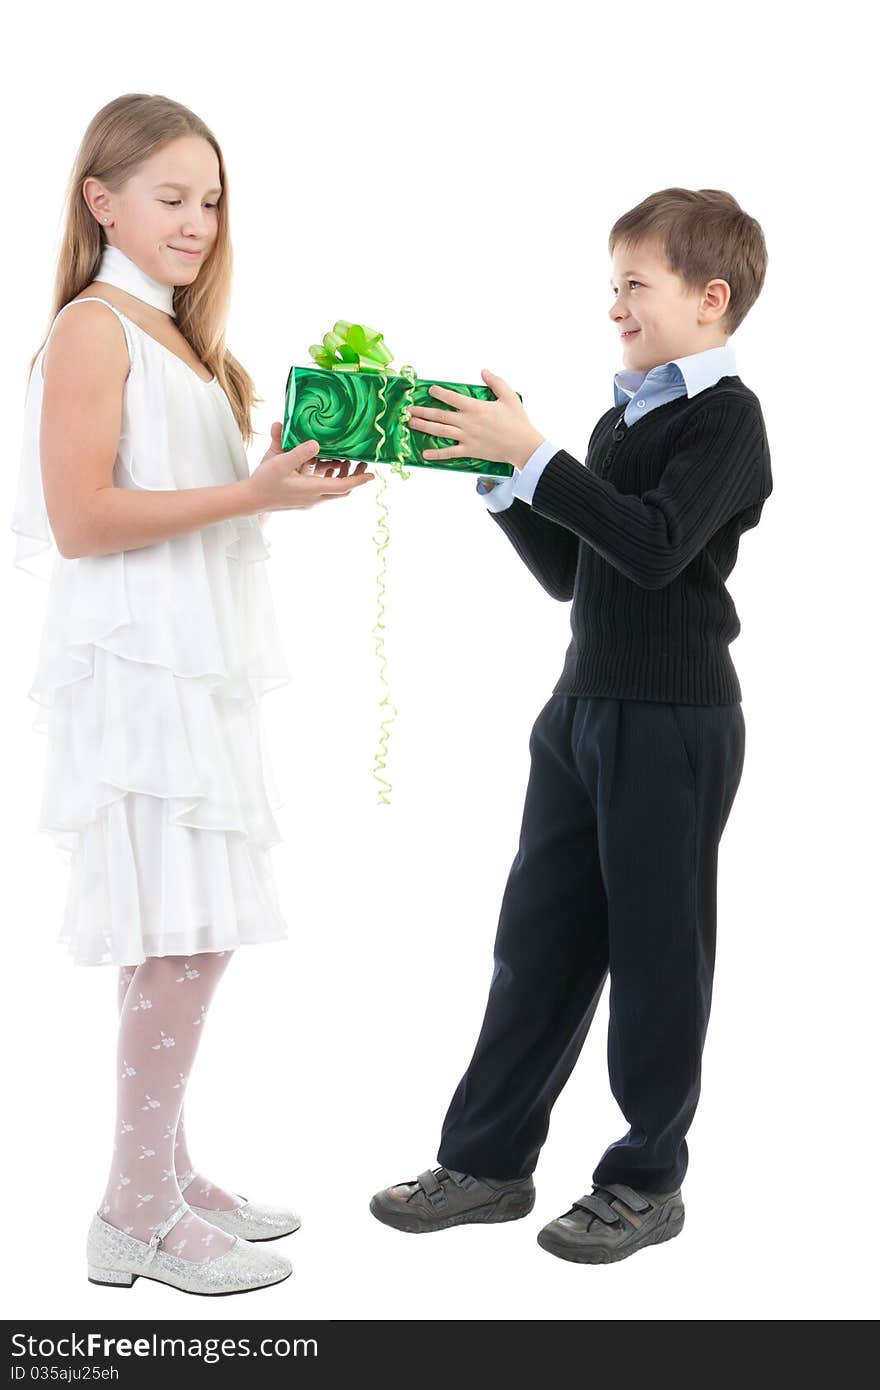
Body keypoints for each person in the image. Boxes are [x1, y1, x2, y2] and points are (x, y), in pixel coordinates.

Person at [11, 92, 374, 1296]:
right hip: (139, 672)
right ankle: (133, 1210)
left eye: (211, 200)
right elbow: (81, 520)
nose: (198, 221)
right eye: (171, 198)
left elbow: (201, 492)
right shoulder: (93, 329)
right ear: (100, 200)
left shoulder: (183, 341)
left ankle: (163, 1170)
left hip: (192, 664)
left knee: (177, 925)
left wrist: (288, 477)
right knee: (189, 933)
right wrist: (252, 496)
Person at [370, 187, 773, 1265]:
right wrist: (499, 474)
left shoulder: (726, 418)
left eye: (633, 286)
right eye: (613, 287)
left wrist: (540, 453)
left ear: (709, 296)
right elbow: (573, 570)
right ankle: (486, 1162)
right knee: (536, 943)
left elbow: (651, 546)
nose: (615, 308)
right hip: (580, 710)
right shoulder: (618, 418)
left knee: (656, 955)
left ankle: (644, 1181)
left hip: (674, 722)